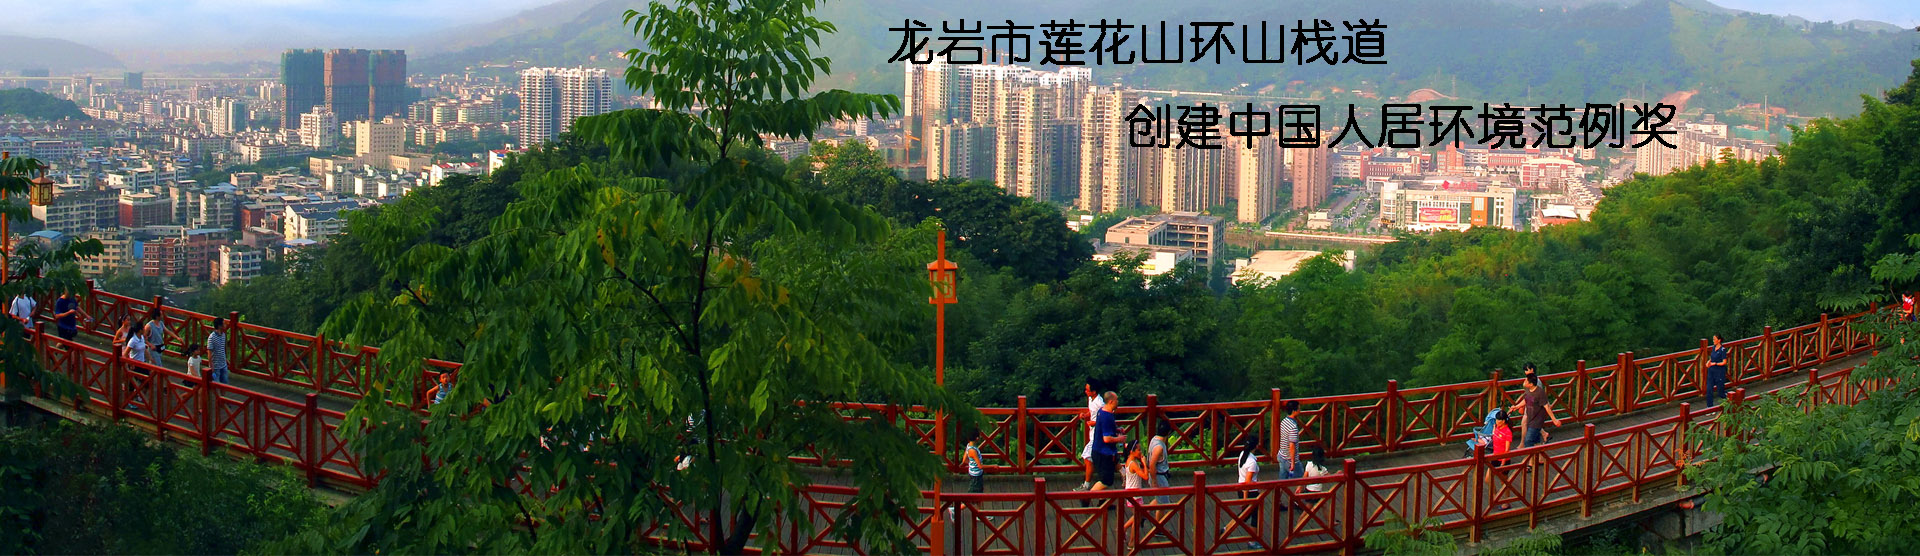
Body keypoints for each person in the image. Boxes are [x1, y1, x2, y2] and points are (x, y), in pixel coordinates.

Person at [1508, 373, 1564, 448]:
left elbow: (1547, 407)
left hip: (1537, 421)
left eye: (1526, 381)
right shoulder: (1528, 390)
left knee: (1528, 441)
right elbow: (1526, 400)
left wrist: (1554, 420)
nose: (1524, 382)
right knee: (1536, 443)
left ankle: (1530, 455)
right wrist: (1517, 406)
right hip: (1530, 418)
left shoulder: (1540, 393)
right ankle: (1539, 455)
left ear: (1531, 384)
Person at [1089, 391, 1122, 492]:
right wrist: (1119, 439)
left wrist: (1117, 430)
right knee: (1106, 481)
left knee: (1102, 478)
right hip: (1103, 453)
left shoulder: (1101, 411)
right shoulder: (1107, 416)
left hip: (1099, 451)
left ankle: (1101, 500)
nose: (1118, 402)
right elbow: (1106, 439)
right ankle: (1087, 497)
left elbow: (1104, 428)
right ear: (1111, 401)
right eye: (1116, 400)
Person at [1077, 383, 1101, 491]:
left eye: (1087, 390)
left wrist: (1094, 423)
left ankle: (1086, 485)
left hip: (1097, 434)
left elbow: (1106, 417)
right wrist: (1085, 415)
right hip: (1092, 434)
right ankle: (1123, 473)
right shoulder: (1091, 399)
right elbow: (1092, 412)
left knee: (1087, 457)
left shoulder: (1100, 403)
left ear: (1094, 391)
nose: (1085, 392)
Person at [1147, 419, 1173, 504]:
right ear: (1168, 432)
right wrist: (1154, 481)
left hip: (1158, 476)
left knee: (1159, 500)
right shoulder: (1159, 447)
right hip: (1159, 477)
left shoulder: (1154, 439)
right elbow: (1152, 465)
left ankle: (1144, 511)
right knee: (1164, 503)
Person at [1278, 400, 1303, 480]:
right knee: (1302, 480)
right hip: (1290, 459)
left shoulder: (1284, 421)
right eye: (1298, 409)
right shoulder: (1293, 427)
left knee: (1282, 480)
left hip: (1282, 455)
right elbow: (1292, 446)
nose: (1300, 410)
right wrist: (1292, 463)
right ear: (1294, 411)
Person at [1705, 335, 1730, 407]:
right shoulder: (1713, 348)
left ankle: (1729, 400)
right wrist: (1709, 362)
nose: (1713, 341)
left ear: (1719, 340)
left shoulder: (1722, 350)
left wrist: (1716, 363)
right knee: (1709, 389)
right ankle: (1709, 407)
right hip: (1711, 370)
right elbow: (1712, 357)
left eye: (1714, 339)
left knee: (1720, 391)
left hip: (1719, 371)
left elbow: (1724, 362)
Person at [206, 317, 229, 385]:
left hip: (223, 364)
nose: (225, 325)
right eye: (224, 324)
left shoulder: (223, 335)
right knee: (216, 385)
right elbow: (209, 352)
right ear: (219, 326)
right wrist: (211, 366)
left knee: (225, 384)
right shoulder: (212, 337)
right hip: (215, 366)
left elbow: (223, 348)